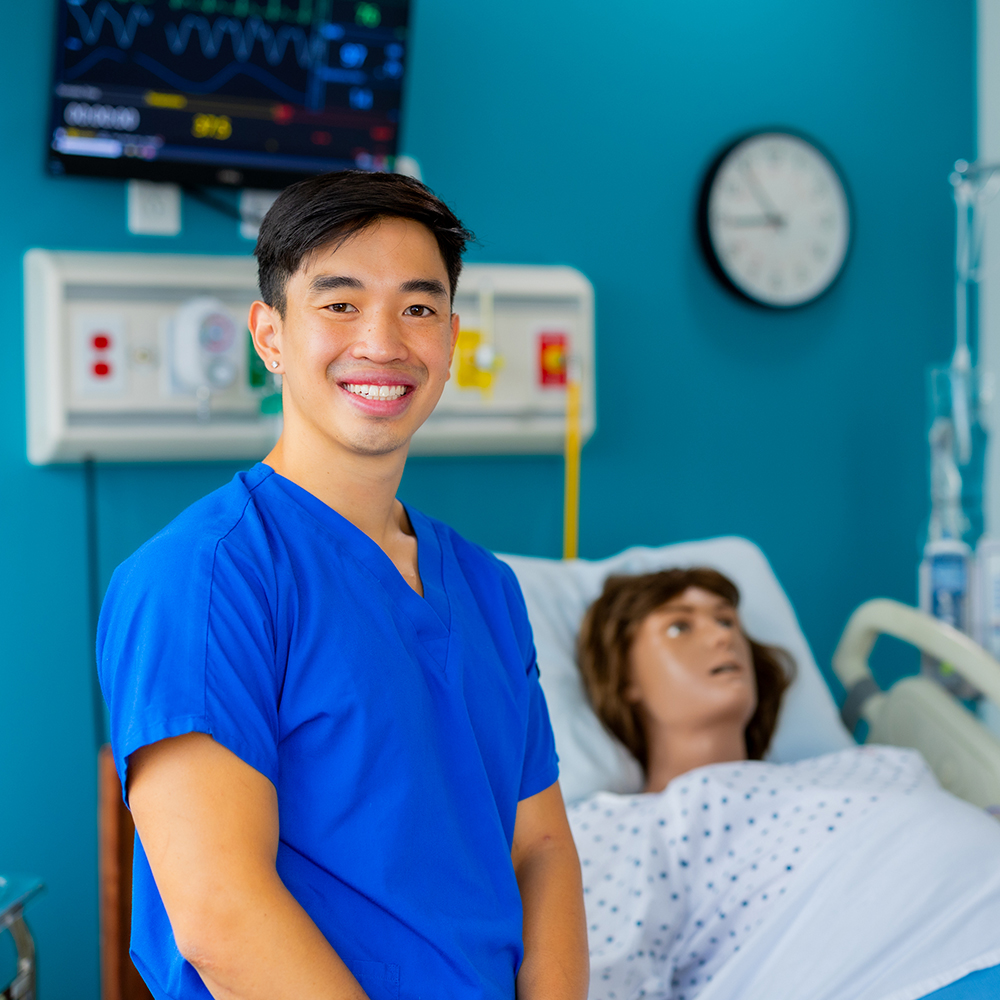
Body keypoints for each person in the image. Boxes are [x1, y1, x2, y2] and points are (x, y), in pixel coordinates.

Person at [97, 171, 588, 1000]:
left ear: (450, 341)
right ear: (270, 335)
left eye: (418, 308)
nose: (384, 342)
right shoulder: (205, 577)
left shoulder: (487, 587)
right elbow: (221, 911)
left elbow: (538, 847)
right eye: (339, 303)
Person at [569, 568, 1000, 1000]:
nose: (722, 638)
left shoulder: (868, 763)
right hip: (922, 976)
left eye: (726, 621)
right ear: (624, 679)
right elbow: (602, 979)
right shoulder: (626, 825)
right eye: (679, 626)